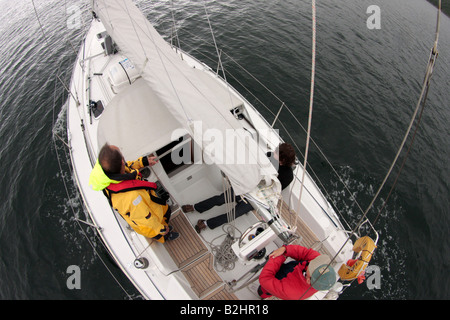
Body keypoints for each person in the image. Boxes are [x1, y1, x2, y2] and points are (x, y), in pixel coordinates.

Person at [182, 143, 296, 233]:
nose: (274, 153)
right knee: (220, 199)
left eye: (277, 154)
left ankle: (206, 223)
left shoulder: (288, 176)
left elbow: (274, 189)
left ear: (284, 161)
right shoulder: (270, 156)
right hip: (247, 185)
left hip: (257, 197)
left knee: (233, 214)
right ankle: (196, 207)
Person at [89, 143, 179, 242]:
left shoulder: (108, 174)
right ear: (121, 163)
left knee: (165, 212)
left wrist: (143, 162)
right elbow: (146, 220)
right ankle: (167, 235)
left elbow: (129, 166)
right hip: (149, 222)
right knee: (161, 231)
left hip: (149, 204)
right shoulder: (132, 198)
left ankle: (165, 227)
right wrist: (161, 229)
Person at [258, 245, 337, 300]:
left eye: (312, 266)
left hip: (281, 280)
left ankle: (264, 294)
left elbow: (265, 279)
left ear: (309, 280)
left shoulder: (292, 292)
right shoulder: (320, 264)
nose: (312, 262)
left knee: (262, 291)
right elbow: (306, 253)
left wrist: (279, 257)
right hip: (290, 268)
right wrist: (285, 250)